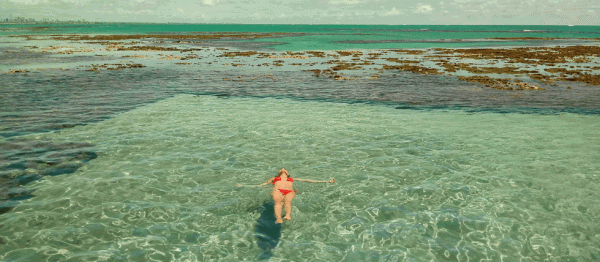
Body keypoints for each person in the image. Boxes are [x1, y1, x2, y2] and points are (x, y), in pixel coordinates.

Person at [237, 168, 335, 224]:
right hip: (278, 190)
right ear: (279, 173)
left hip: (289, 191)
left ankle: (287, 215)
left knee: (287, 202)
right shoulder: (274, 178)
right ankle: (279, 218)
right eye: (282, 169)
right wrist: (243, 185)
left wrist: (327, 181)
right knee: (278, 202)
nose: (283, 169)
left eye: (285, 170)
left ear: (287, 174)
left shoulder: (291, 179)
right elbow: (261, 185)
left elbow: (308, 180)